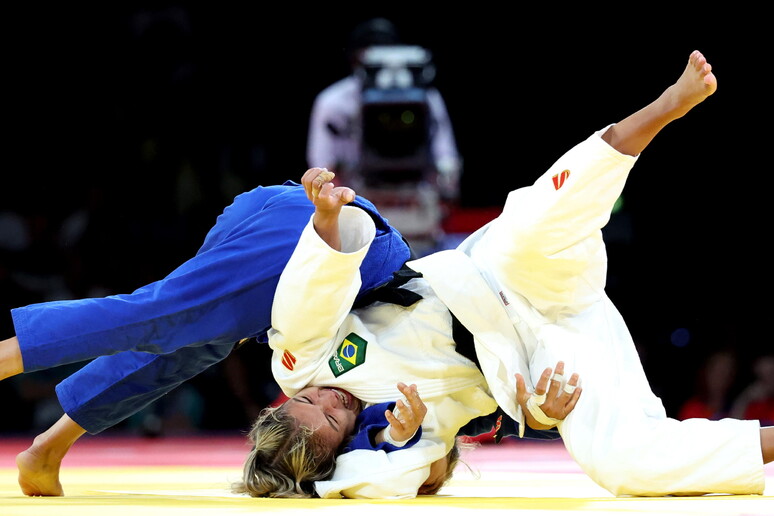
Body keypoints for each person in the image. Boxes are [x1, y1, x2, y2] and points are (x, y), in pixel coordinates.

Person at [243, 49, 772, 499]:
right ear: (343, 450)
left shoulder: (302, 364)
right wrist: (532, 415)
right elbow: (395, 477)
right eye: (333, 420)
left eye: (309, 401)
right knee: (619, 462)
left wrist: (327, 222)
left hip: (498, 273)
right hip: (542, 350)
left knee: (529, 226)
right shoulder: (393, 443)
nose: (328, 399)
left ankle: (664, 107)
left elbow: (310, 293)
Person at [1, 177, 415, 496]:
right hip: (328, 244)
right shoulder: (407, 402)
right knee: (160, 315)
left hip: (285, 237)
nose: (330, 404)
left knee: (190, 345)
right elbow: (416, 458)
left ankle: (48, 448)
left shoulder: (371, 424)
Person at [306, 17, 462, 254]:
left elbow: (446, 156)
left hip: (418, 207)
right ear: (356, 60)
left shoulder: (427, 100)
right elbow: (320, 167)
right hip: (358, 202)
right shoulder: (334, 104)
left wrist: (445, 192)